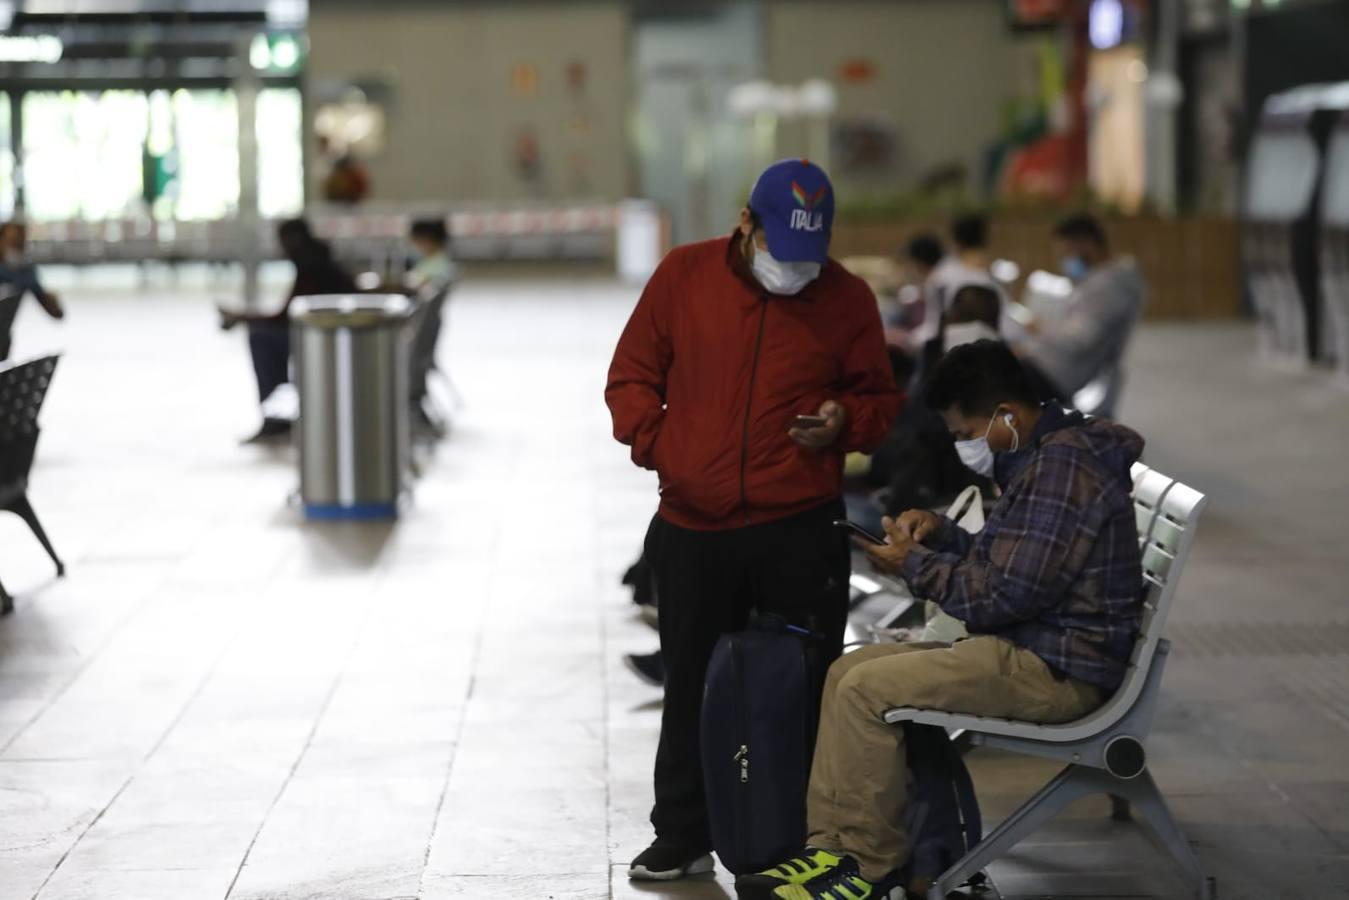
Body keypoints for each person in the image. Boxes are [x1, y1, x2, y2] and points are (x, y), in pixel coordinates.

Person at [747, 339, 1145, 900]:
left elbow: (1000, 596)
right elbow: (1014, 564)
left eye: (965, 433)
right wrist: (943, 533)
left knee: (864, 690)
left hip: (1055, 668)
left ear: (1006, 415)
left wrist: (915, 565)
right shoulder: (1041, 452)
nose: (962, 446)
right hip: (1032, 644)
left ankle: (865, 865)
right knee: (847, 671)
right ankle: (830, 851)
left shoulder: (1062, 469)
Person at [606, 158, 903, 882]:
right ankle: (681, 834)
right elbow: (631, 375)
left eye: (810, 256)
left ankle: (797, 839)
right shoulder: (683, 276)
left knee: (802, 686)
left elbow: (879, 401)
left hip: (797, 526)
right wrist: (663, 448)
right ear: (746, 224)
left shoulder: (847, 298)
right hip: (694, 526)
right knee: (690, 685)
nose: (794, 270)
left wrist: (841, 421)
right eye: (781, 250)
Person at [220, 218, 356, 443]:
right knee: (263, 336)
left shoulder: (311, 266)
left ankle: (275, 419)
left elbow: (289, 316)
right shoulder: (321, 260)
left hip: (328, 337)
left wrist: (243, 317)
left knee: (261, 339)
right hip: (334, 334)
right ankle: (276, 417)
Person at [1019, 213, 1146, 418]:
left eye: (1068, 253)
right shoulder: (1101, 280)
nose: (1065, 261)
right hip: (1052, 367)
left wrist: (1040, 329)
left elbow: (1079, 339)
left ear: (1087, 245)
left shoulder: (1108, 286)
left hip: (1057, 375)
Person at [0, 222, 64, 360]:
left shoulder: (26, 272)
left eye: (18, 244)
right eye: (10, 242)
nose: (14, 248)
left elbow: (56, 313)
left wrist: (53, 301)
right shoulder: (24, 274)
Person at [405, 218, 458, 295]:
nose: (415, 247)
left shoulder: (437, 264)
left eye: (417, 242)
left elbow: (419, 284)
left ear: (427, 241)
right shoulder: (437, 259)